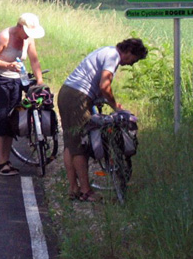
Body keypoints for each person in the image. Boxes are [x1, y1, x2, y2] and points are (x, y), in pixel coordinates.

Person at [58, 38, 148, 201]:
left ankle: (73, 188)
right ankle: (86, 191)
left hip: (67, 92)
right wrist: (116, 107)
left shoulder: (106, 50)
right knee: (80, 144)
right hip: (77, 97)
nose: (131, 64)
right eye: (133, 60)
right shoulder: (113, 56)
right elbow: (105, 86)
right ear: (128, 52)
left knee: (70, 142)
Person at [0, 13, 45, 176]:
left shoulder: (29, 39)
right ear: (19, 27)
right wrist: (7, 65)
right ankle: (0, 162)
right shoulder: (4, 37)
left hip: (16, 81)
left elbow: (34, 60)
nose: (27, 36)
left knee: (12, 120)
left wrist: (39, 80)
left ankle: (6, 160)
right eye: (26, 32)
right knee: (1, 118)